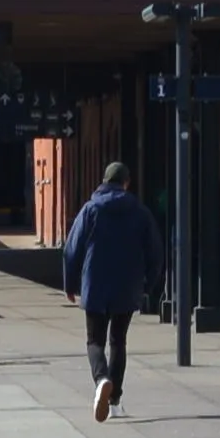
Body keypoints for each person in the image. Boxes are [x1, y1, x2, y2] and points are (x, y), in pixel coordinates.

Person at [60, 168, 167, 423]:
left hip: (95, 285)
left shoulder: (91, 210)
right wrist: (148, 285)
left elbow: (71, 250)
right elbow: (156, 252)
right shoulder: (140, 212)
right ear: (126, 183)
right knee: (118, 341)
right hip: (127, 286)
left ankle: (101, 379)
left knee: (94, 341)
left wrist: (70, 284)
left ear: (104, 181)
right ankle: (115, 401)